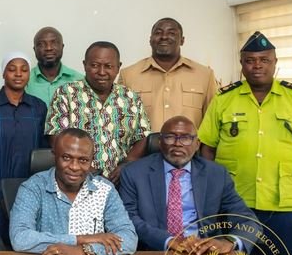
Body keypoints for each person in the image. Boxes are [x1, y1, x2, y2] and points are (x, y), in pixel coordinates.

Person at [198, 31, 292, 255]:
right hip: (234, 203)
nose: (257, 66)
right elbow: (207, 148)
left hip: (285, 206)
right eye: (250, 60)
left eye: (264, 60)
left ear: (275, 63)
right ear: (241, 64)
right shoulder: (224, 100)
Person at [119, 116, 260, 253]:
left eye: (186, 138)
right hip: (154, 252)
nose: (178, 143)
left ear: (197, 144)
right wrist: (168, 240)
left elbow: (247, 220)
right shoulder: (134, 173)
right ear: (160, 142)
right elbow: (127, 218)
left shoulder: (216, 174)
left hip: (203, 252)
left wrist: (230, 242)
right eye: (170, 137)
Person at [9, 128, 138, 255]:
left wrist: (84, 250)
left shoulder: (105, 189)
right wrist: (81, 239)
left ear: (91, 161)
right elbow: (20, 238)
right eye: (66, 158)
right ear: (54, 156)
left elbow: (129, 239)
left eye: (83, 160)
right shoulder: (34, 187)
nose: (74, 167)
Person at [45, 41, 151, 185]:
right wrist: (86, 168)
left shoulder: (130, 97)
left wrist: (127, 164)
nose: (101, 72)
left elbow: (143, 136)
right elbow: (56, 135)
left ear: (118, 67)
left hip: (122, 181)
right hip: (77, 180)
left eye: (108, 66)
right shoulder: (66, 93)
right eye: (94, 65)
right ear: (85, 65)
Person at [0, 51, 48, 242]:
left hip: (32, 186)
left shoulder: (39, 108)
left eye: (24, 70)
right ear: (3, 74)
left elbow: (43, 152)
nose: (18, 74)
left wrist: (36, 188)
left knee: (28, 240)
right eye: (12, 69)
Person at [119, 18, 218, 131]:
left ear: (182, 40)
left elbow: (212, 121)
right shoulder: (128, 75)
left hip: (189, 148)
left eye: (171, 33)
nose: (164, 37)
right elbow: (121, 121)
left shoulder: (204, 75)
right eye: (158, 33)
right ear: (150, 40)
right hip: (143, 148)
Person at [25, 27, 84, 107]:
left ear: (62, 47)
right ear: (34, 49)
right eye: (41, 44)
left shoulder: (79, 80)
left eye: (54, 43)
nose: (48, 48)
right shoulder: (24, 81)